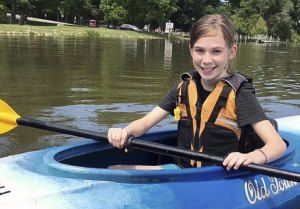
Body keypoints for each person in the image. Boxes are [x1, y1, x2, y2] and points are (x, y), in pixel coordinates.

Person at [108, 14, 286, 171]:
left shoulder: (240, 93)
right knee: (114, 169)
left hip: (220, 176)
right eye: (200, 51)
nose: (206, 60)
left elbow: (277, 145)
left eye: (216, 51)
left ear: (231, 52)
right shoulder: (183, 87)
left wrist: (252, 157)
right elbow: (145, 123)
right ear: (191, 50)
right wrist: (124, 132)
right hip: (181, 171)